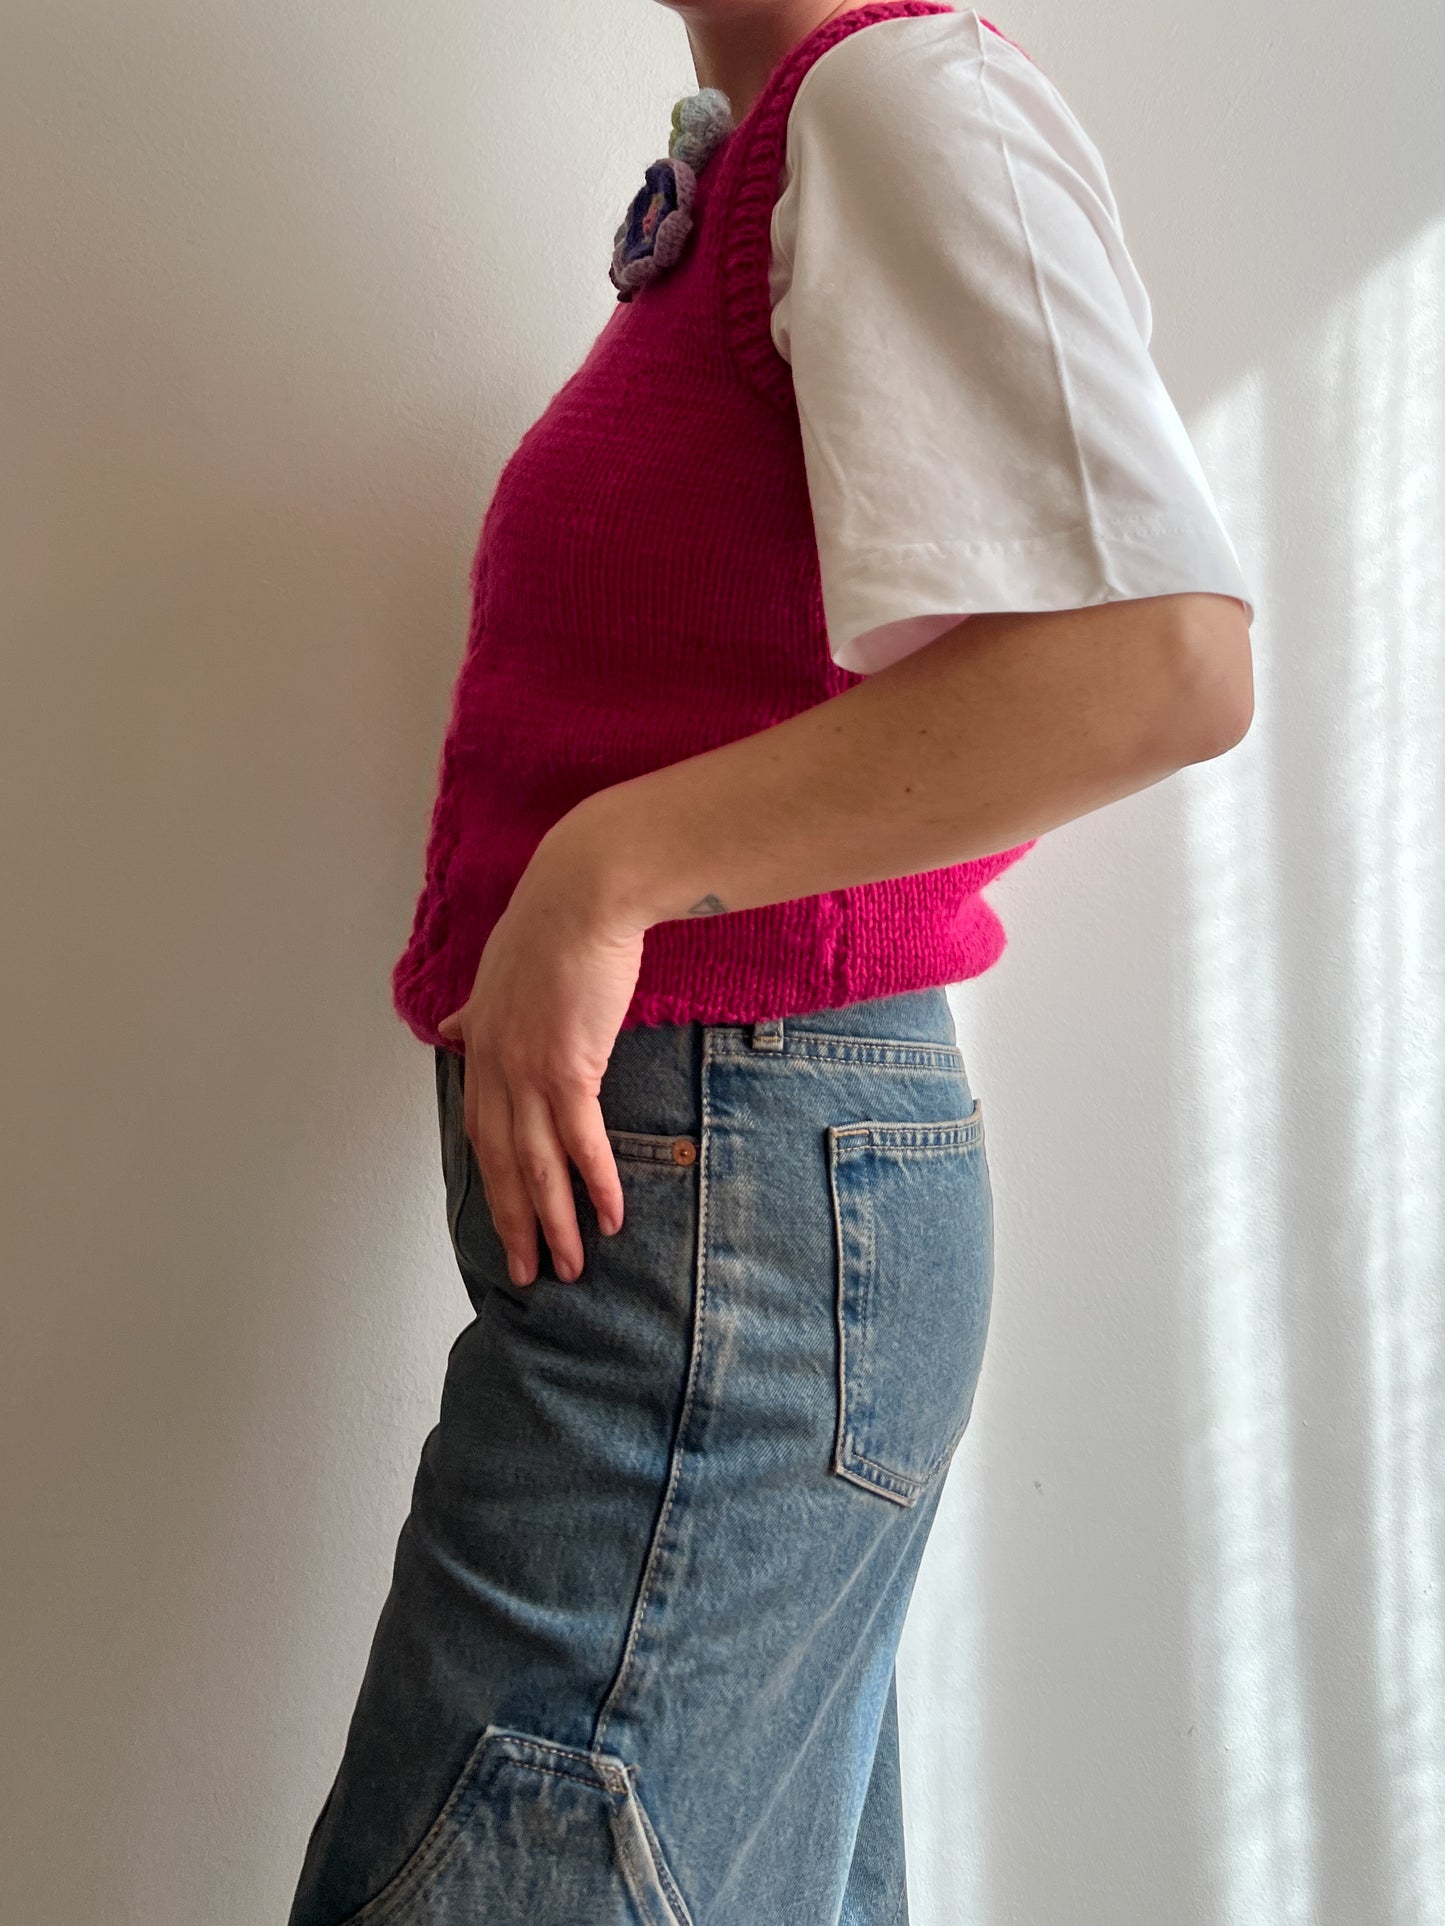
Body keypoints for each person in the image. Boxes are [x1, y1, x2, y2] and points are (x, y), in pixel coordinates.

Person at [285, 3, 1255, 1921]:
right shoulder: (776, 154)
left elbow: (1152, 659)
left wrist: (607, 865)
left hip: (727, 1212)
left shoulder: (892, 103)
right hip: (710, 1213)